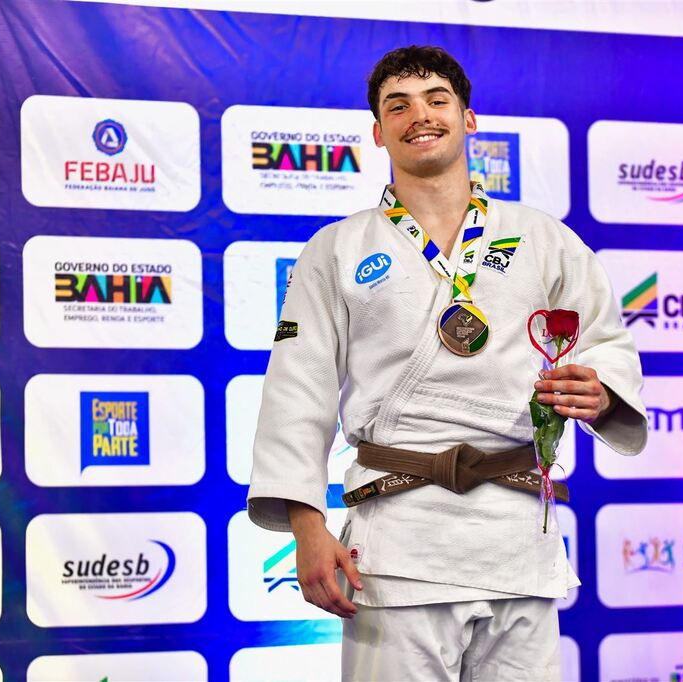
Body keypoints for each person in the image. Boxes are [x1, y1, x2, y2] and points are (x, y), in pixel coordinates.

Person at [248, 45, 647, 681]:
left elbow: (603, 342)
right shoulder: (338, 249)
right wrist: (307, 527)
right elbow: (299, 390)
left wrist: (600, 391)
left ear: (469, 119)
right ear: (379, 133)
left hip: (519, 534)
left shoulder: (541, 238)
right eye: (397, 105)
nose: (420, 116)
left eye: (438, 100)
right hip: (399, 538)